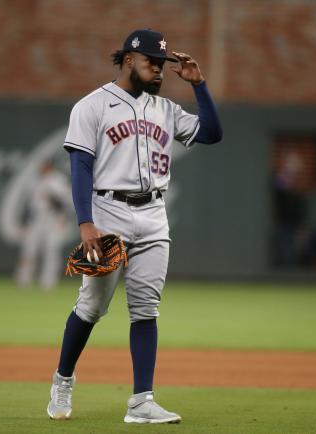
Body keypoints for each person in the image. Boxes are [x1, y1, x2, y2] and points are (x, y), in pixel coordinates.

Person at [47, 29, 222, 424]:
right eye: (152, 63)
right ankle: (63, 379)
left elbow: (211, 133)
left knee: (146, 308)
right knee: (92, 307)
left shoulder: (166, 109)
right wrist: (85, 223)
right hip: (107, 212)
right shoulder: (92, 106)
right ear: (128, 60)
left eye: (162, 65)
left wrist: (200, 85)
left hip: (154, 215)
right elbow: (80, 166)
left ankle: (142, 402)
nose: (159, 71)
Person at [14, 160, 73, 289]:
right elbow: (30, 204)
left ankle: (48, 282)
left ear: (50, 167)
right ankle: (24, 280)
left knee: (51, 250)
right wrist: (25, 221)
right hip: (36, 219)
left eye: (44, 166)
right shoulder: (35, 181)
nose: (41, 168)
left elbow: (66, 203)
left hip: (53, 219)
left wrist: (61, 214)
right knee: (29, 249)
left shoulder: (58, 180)